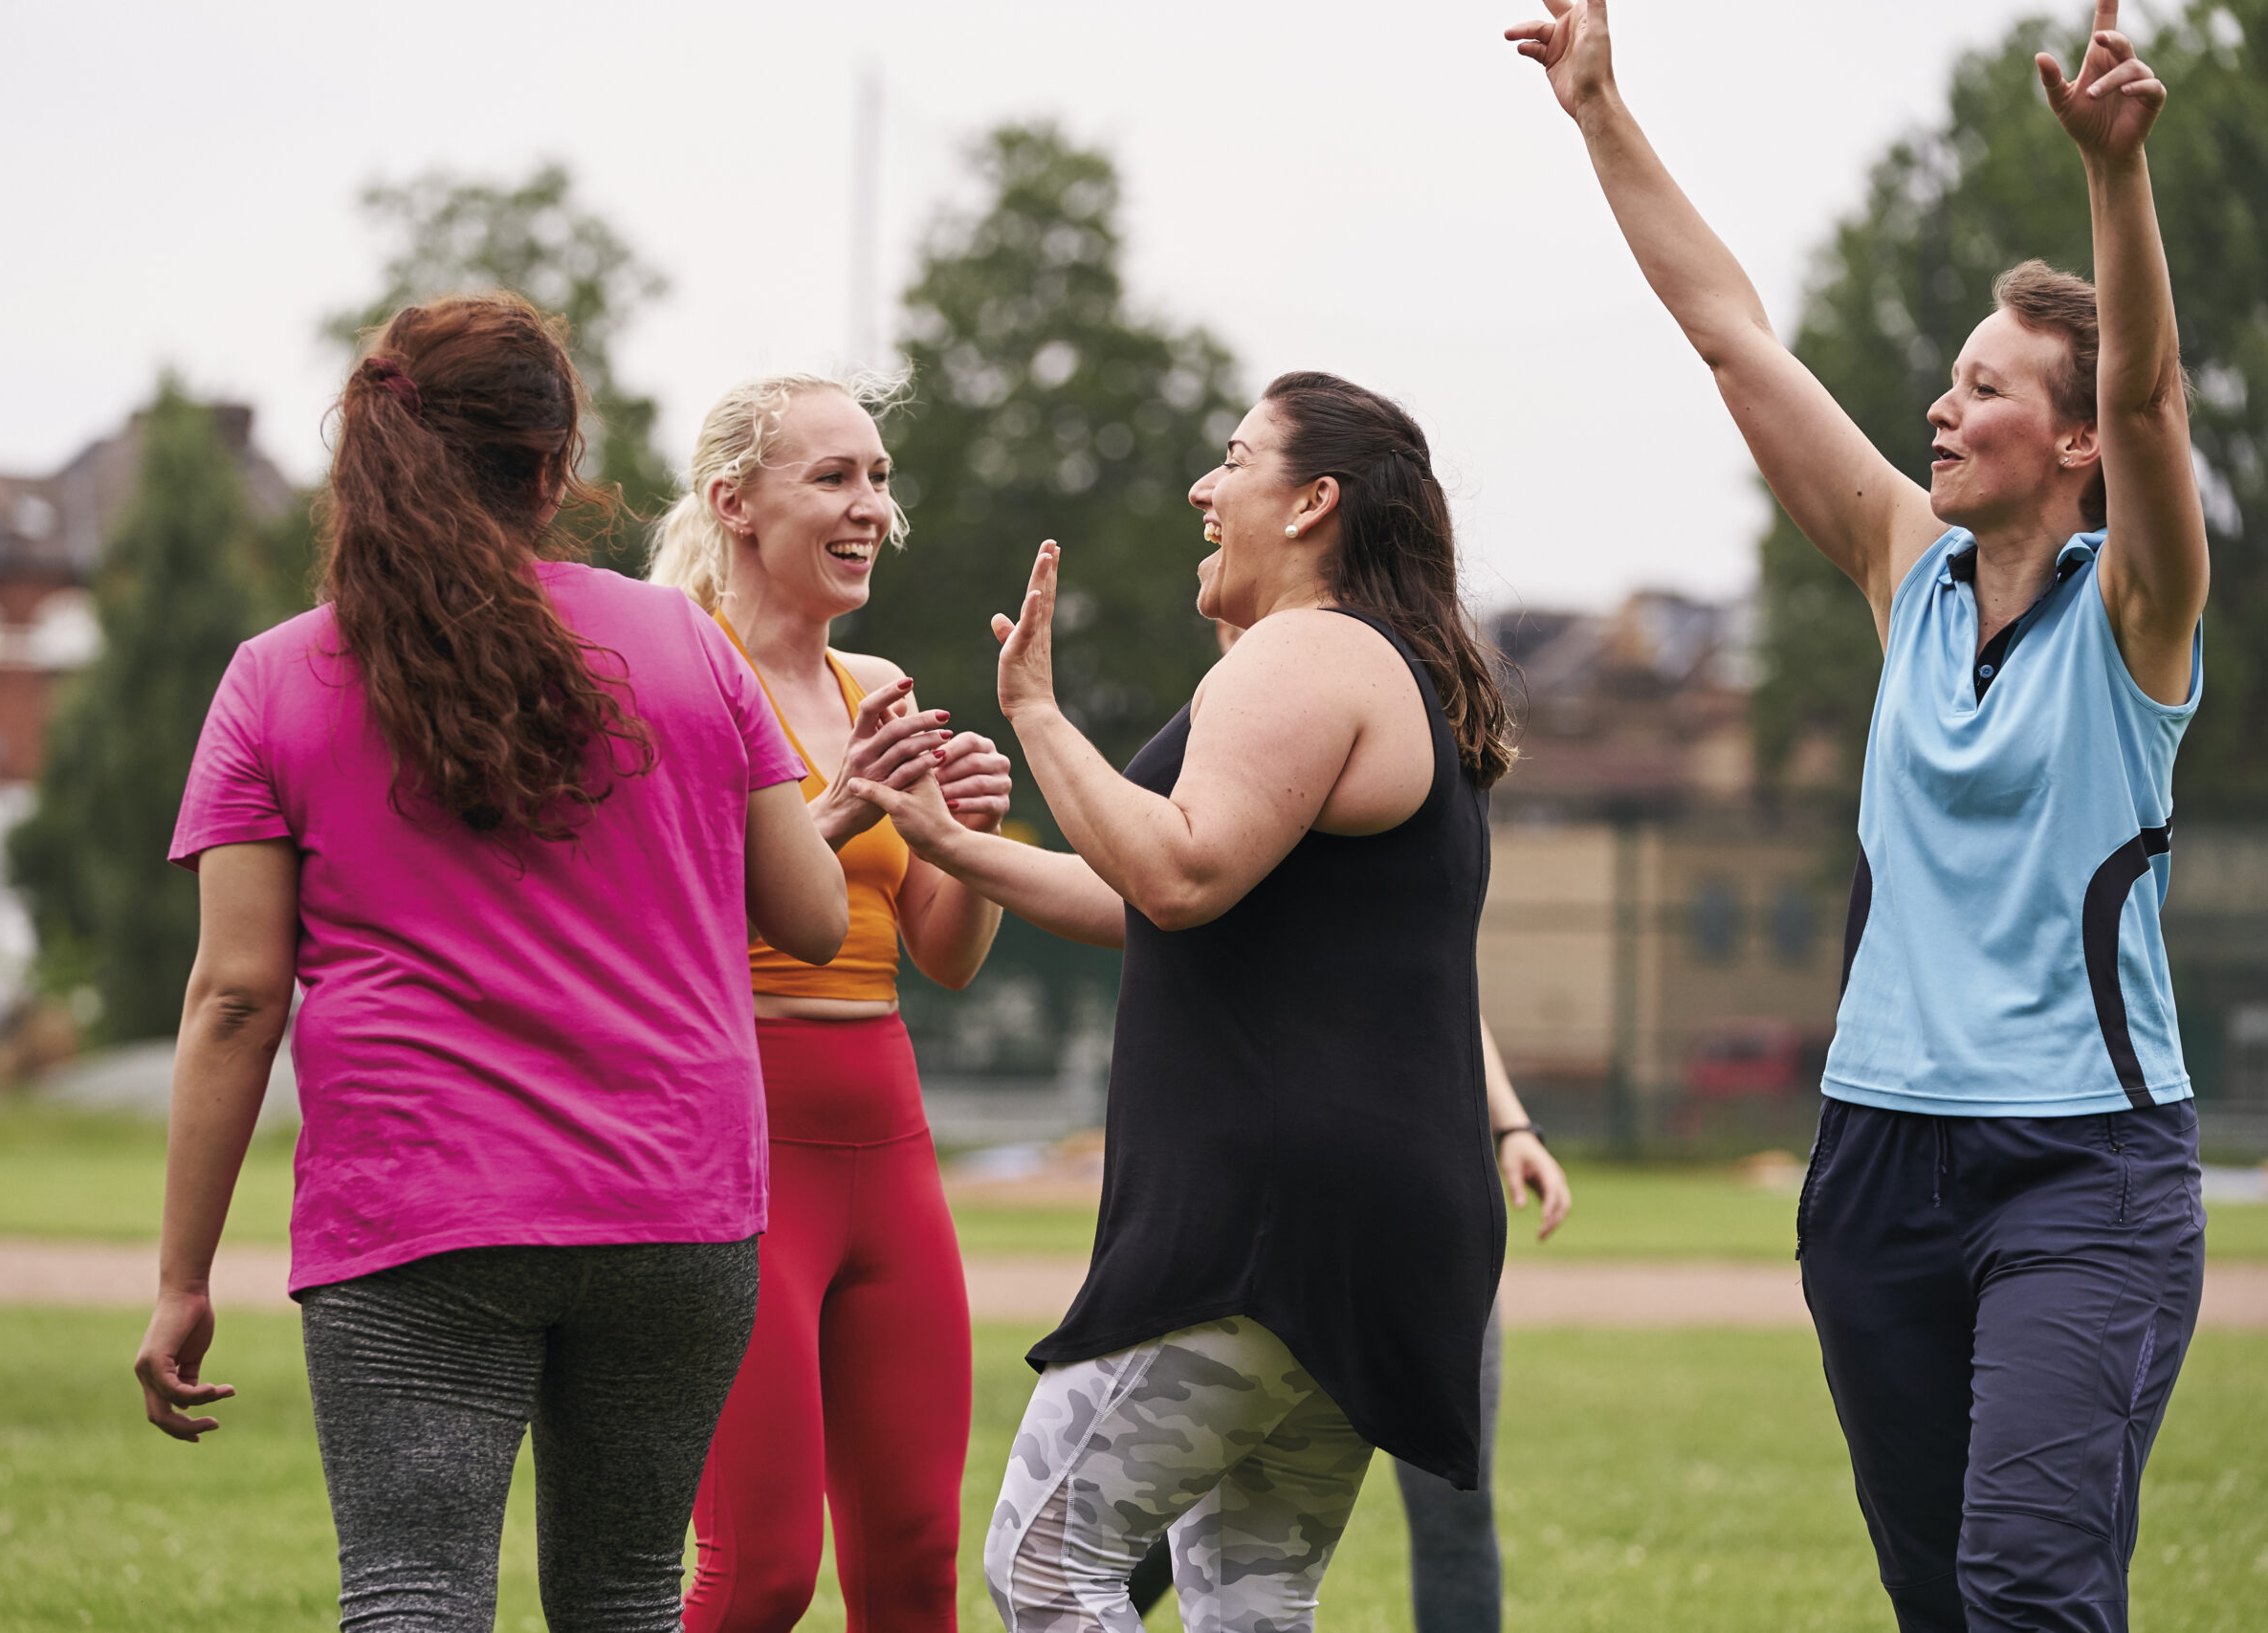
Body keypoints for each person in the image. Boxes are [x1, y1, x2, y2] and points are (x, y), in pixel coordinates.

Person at [1508, 5, 2209, 1627]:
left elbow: (2162, 403)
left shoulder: (2139, 613)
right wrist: (1600, 113)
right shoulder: (1910, 567)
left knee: (2030, 1584)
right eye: (1947, 386)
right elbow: (1731, 335)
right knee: (1944, 1602)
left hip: (2082, 1169)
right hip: (1877, 1159)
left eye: (1985, 390)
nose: (1942, 413)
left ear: (2076, 441)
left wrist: (2118, 179)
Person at [132, 292, 860, 1632]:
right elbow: (811, 915)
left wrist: (184, 1277)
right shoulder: (685, 641)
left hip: (417, 1206)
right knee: (627, 1595)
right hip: (674, 1201)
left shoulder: (277, 676)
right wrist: (843, 809)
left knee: (412, 1593)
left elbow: (236, 995)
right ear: (552, 461)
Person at [856, 370, 1514, 1631]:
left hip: (1276, 1220)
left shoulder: (1310, 649)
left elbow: (1177, 872)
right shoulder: (1375, 664)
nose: (1204, 490)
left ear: (1315, 501)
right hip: (1370, 1221)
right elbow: (1142, 896)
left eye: (1234, 460)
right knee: (1249, 1591)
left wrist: (1037, 713)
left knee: (1046, 1563)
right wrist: (948, 844)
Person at [650, 372, 1014, 1633]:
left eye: (879, 477)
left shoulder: (879, 687)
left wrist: (970, 839)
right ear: (732, 502)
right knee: (759, 1575)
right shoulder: (674, 673)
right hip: (738, 1152)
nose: (870, 506)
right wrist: (839, 810)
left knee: (915, 1563)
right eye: (835, 477)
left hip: (892, 1143)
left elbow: (945, 953)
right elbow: (651, 918)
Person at [1122, 633, 1574, 1633]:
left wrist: (1509, 1125)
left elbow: (1438, 992)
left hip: (1407, 1192)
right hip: (1272, 1201)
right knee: (1161, 1515)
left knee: (1445, 1504)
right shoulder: (1243, 754)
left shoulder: (1411, 750)